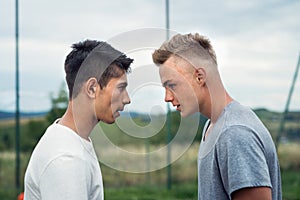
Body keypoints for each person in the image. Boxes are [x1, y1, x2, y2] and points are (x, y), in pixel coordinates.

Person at [152, 33, 281, 199]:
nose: (167, 97)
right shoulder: (213, 125)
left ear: (199, 77)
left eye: (172, 85)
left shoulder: (234, 133)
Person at [24, 39, 133, 200]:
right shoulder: (66, 159)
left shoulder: (70, 142)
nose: (127, 99)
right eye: (121, 88)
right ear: (91, 88)